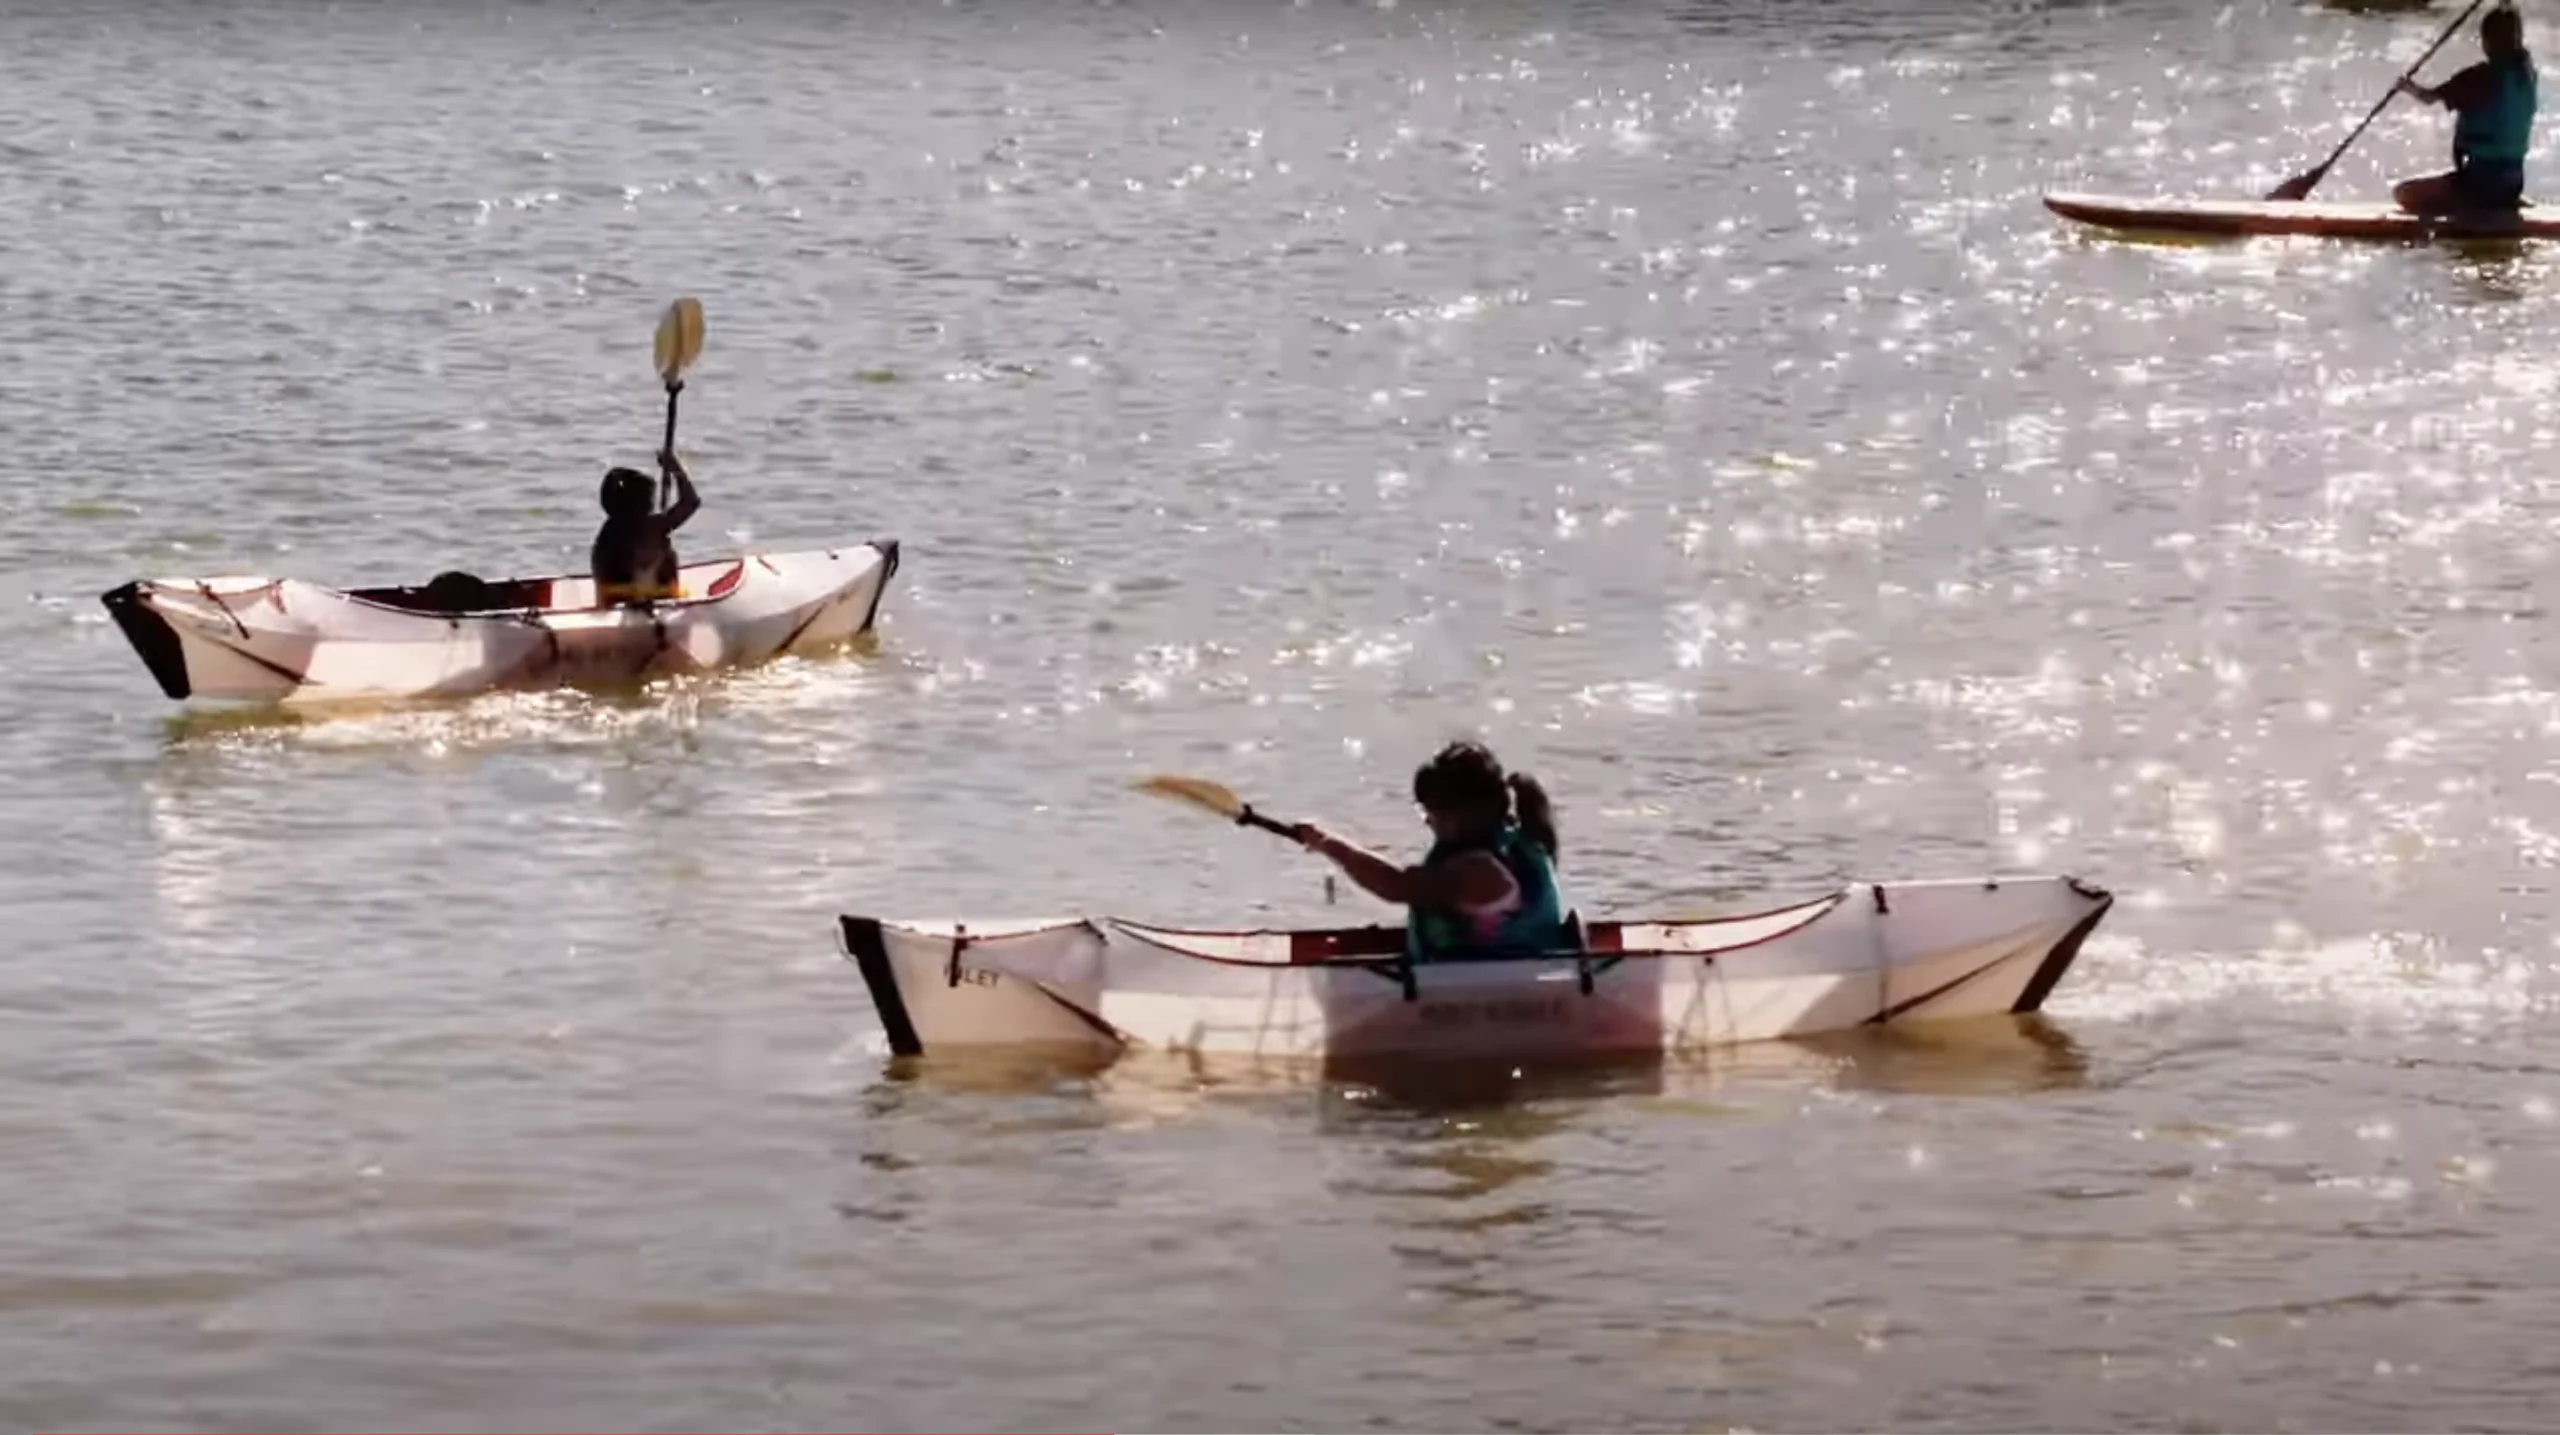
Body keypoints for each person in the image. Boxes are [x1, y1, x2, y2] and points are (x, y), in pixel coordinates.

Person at [1289, 740, 1573, 961]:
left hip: (1497, 997)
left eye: (1430, 813)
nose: (1428, 822)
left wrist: (1327, 843)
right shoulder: (1520, 842)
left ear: (1460, 815)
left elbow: (1395, 885)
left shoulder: (1481, 871)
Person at [2393, 3, 2538, 217]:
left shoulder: (2478, 77)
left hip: (2480, 185)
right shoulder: (2528, 76)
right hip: (2514, 183)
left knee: (2403, 193)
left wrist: (2406, 86)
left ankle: (2465, 212)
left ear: (2486, 41)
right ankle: (2496, 205)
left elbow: (2428, 97)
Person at [591, 449, 699, 605]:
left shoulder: (647, 526)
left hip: (643, 601)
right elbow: (690, 502)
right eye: (648, 499)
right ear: (634, 505)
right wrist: (676, 470)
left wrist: (675, 469)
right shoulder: (618, 539)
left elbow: (690, 503)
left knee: (667, 552)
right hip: (627, 607)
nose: (651, 504)